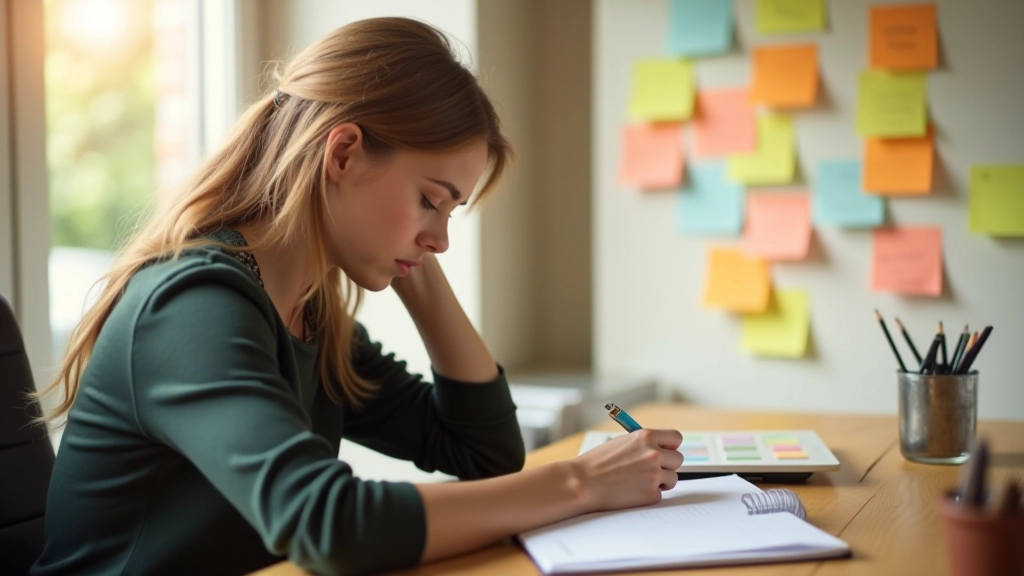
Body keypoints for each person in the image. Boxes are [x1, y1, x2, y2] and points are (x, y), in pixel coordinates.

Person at [31, 17, 683, 576]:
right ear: (341, 154)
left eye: (450, 212)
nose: (441, 239)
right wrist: (582, 481)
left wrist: (414, 260)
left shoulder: (309, 313)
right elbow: (328, 524)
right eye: (430, 200)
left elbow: (483, 454)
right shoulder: (193, 307)